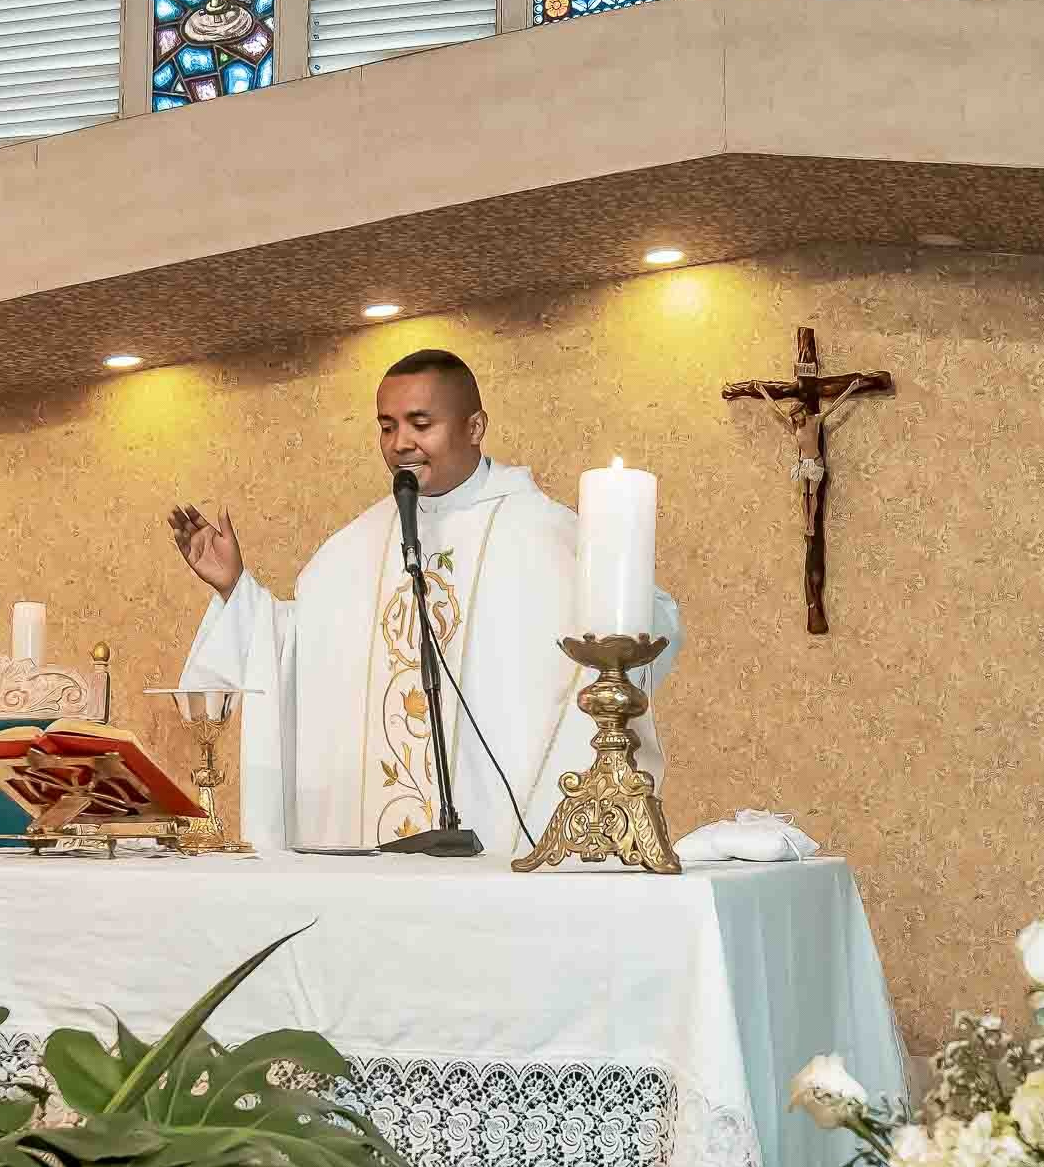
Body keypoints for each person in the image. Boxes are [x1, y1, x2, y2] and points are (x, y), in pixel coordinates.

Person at [170, 348, 679, 855]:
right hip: (371, 861)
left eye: (420, 423)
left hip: (504, 851)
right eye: (386, 426)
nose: (400, 444)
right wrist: (235, 589)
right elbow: (292, 655)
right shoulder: (349, 551)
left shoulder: (547, 535)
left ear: (475, 426)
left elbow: (641, 624)